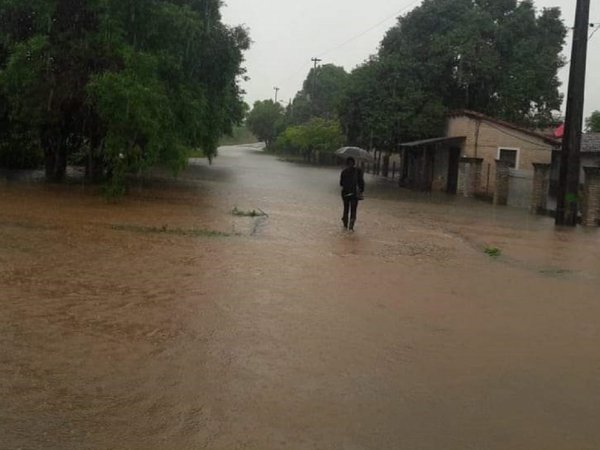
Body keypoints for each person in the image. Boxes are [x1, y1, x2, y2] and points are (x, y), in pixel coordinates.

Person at [339, 157, 365, 231]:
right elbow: (361, 183)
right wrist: (361, 191)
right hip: (354, 194)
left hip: (345, 193)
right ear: (354, 163)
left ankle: (345, 226)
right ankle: (351, 227)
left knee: (346, 209)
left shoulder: (344, 172)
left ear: (346, 163)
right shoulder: (358, 171)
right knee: (353, 210)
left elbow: (341, 183)